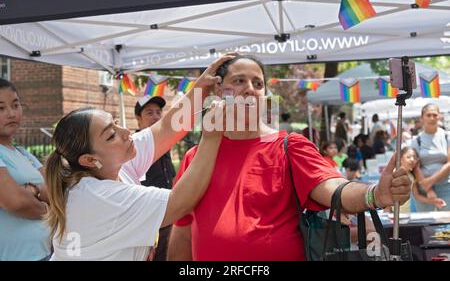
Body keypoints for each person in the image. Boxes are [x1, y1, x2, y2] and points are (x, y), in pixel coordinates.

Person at [168, 55, 411, 261]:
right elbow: (183, 230)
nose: (250, 89)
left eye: (258, 83)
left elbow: (334, 188)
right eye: (239, 81)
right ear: (219, 90)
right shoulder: (195, 158)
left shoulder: (289, 146)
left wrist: (375, 194)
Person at [46, 54, 235, 261]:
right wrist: (211, 137)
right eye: (111, 135)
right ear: (89, 160)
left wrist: (201, 88)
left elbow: (166, 128)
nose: (126, 132)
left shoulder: (112, 165)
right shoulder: (97, 196)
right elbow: (180, 202)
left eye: (116, 122)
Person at [0, 79, 51, 261]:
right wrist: (51, 211)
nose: (11, 114)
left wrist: (31, 190)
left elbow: (55, 189)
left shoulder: (23, 153)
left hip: (45, 253)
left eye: (15, 105)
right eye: (1, 108)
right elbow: (16, 202)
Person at [134, 95, 176, 261]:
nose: (156, 117)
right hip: (147, 217)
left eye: (159, 112)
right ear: (138, 119)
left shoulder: (164, 144)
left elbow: (169, 176)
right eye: (149, 113)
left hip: (167, 213)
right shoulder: (133, 146)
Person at [411, 104, 450, 212]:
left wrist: (431, 180)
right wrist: (427, 188)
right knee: (426, 225)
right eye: (428, 115)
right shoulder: (416, 140)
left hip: (445, 186)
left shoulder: (447, 136)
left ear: (439, 117)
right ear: (422, 118)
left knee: (447, 222)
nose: (432, 118)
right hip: (423, 189)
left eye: (434, 115)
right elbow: (415, 166)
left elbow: (449, 162)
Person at [399, 147, 446, 213]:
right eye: (408, 157)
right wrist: (387, 209)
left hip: (405, 214)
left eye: (415, 158)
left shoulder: (411, 176)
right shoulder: (395, 173)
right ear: (400, 158)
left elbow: (417, 196)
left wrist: (434, 201)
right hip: (393, 214)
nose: (412, 159)